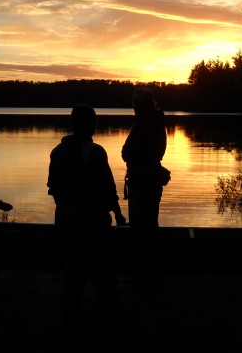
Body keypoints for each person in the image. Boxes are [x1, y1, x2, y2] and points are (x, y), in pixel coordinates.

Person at [47, 103, 126, 329]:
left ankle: (73, 312)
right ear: (90, 125)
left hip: (66, 219)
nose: (95, 125)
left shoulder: (58, 152)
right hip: (94, 221)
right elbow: (108, 187)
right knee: (102, 269)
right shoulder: (96, 152)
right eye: (94, 121)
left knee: (73, 267)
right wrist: (118, 213)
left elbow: (54, 188)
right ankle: (107, 315)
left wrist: (66, 210)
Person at [121, 86, 167, 284]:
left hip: (142, 181)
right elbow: (156, 153)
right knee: (150, 225)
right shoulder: (157, 123)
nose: (134, 108)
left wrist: (132, 156)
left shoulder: (143, 123)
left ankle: (143, 274)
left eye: (136, 104)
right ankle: (151, 273)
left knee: (140, 228)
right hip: (151, 180)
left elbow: (127, 152)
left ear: (142, 105)